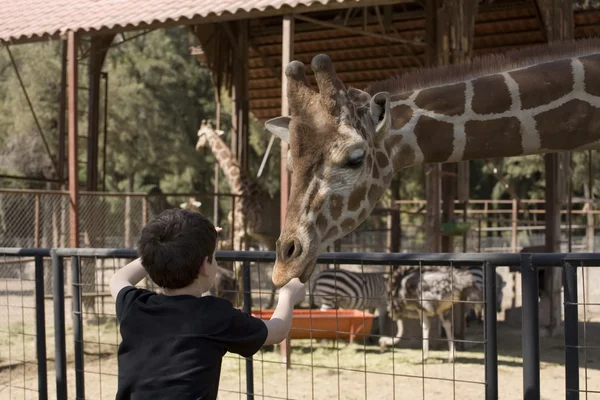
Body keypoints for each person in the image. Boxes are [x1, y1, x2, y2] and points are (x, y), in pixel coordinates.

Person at [109, 208, 305, 400]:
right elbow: (278, 330)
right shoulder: (215, 315)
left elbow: (119, 278)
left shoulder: (135, 306)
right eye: (214, 257)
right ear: (205, 265)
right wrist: (288, 294)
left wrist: (160, 251)